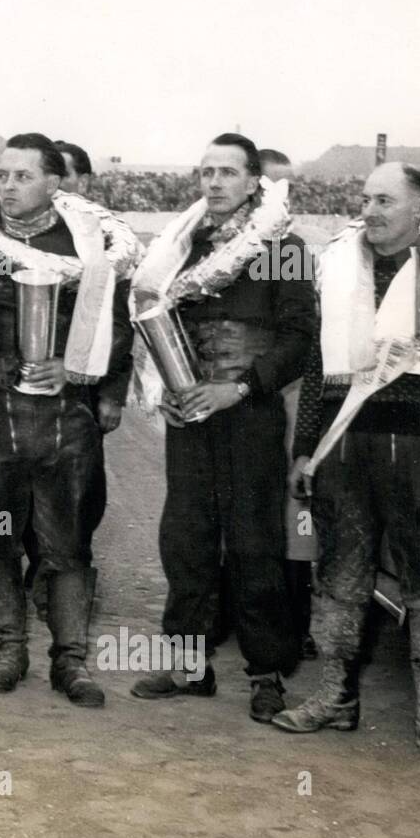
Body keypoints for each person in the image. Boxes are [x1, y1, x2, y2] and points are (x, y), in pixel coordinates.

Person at [274, 162, 420, 769]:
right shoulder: (341, 264)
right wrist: (307, 448)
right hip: (347, 446)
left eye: (384, 201)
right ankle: (334, 699)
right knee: (341, 578)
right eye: (366, 198)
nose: (369, 211)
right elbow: (323, 370)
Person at [0, 133, 137, 703]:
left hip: (66, 418)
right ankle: (9, 650)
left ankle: (71, 661)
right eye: (2, 174)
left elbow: (118, 330)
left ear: (55, 183)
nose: (7, 185)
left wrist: (77, 371)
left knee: (68, 539)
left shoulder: (90, 248)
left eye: (22, 176)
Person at [129, 133, 315, 721]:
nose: (214, 182)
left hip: (249, 410)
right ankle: (189, 663)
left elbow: (300, 340)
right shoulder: (181, 245)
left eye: (227, 172)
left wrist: (238, 387)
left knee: (255, 542)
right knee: (186, 538)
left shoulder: (284, 246)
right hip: (190, 412)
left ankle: (266, 674)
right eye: (206, 171)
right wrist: (167, 387)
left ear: (254, 181)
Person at [255, 147, 316, 660]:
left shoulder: (288, 248)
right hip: (238, 400)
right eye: (273, 186)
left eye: (287, 188)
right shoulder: (215, 246)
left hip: (287, 392)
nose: (282, 196)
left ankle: (295, 624)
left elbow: (300, 332)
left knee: (297, 517)